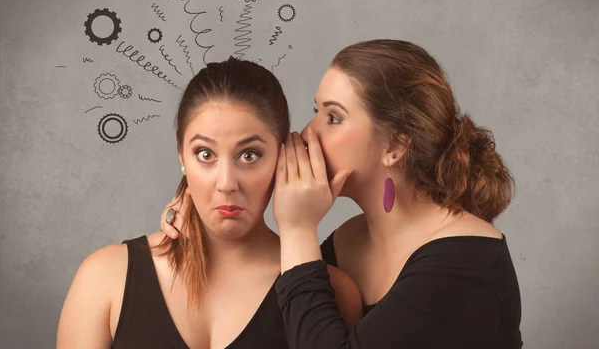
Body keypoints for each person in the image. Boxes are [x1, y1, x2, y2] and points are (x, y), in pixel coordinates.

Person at [163, 40, 523, 348]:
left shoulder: (464, 265)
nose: (308, 133)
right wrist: (198, 200)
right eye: (315, 112)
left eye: (333, 118)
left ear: (394, 146)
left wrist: (298, 230)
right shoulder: (349, 241)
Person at [57, 57, 362, 349]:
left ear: (283, 156)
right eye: (205, 154)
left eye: (249, 155)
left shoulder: (334, 294)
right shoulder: (106, 277)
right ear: (181, 155)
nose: (226, 183)